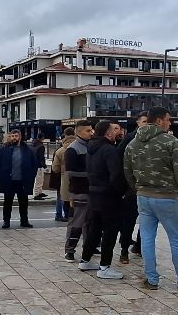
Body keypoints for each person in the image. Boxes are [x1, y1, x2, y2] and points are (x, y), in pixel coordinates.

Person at [124, 107, 178, 291]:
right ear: (159, 121)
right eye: (168, 119)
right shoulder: (170, 142)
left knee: (147, 237)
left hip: (143, 196)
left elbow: (127, 171)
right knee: (176, 239)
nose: (170, 123)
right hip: (167, 197)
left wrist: (138, 187)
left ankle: (151, 279)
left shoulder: (132, 143)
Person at [77, 121, 126, 279]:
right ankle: (104, 266)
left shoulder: (90, 148)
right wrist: (122, 192)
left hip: (94, 194)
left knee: (95, 229)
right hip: (109, 197)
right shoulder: (109, 150)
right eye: (113, 130)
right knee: (110, 232)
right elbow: (116, 175)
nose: (116, 132)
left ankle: (85, 260)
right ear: (108, 133)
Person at [117, 113, 148, 259]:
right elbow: (120, 159)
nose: (146, 124)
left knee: (147, 219)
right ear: (138, 123)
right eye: (144, 121)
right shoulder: (130, 138)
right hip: (132, 187)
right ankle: (124, 247)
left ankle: (139, 246)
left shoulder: (153, 139)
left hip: (148, 187)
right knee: (129, 218)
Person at [63, 120, 94, 261]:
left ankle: (89, 247)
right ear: (79, 132)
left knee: (90, 222)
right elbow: (70, 173)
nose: (91, 132)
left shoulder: (91, 146)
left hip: (91, 190)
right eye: (88, 130)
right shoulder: (72, 149)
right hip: (79, 190)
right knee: (77, 222)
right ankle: (70, 249)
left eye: (91, 130)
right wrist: (91, 174)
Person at [0, 129, 37, 229]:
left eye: (16, 136)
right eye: (12, 136)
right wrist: (1, 175)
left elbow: (34, 164)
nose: (14, 138)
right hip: (9, 181)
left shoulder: (27, 150)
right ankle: (6, 221)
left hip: (22, 181)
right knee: (7, 202)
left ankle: (24, 221)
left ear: (20, 137)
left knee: (23, 203)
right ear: (10, 137)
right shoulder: (4, 149)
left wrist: (31, 176)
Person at [50, 128, 76, 223]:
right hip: (81, 181)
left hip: (65, 180)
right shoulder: (82, 147)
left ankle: (64, 216)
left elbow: (55, 168)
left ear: (64, 135)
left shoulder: (60, 151)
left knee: (64, 199)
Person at [31, 134, 48, 200]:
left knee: (38, 180)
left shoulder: (33, 145)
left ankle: (39, 192)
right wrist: (44, 166)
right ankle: (36, 194)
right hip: (39, 166)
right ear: (43, 138)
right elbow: (41, 157)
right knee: (39, 180)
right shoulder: (41, 146)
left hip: (34, 164)